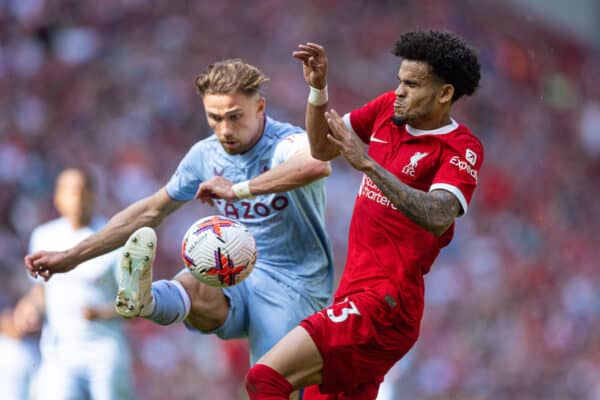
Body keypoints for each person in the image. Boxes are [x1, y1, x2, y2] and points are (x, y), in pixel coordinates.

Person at [25, 60, 334, 368]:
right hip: (235, 276)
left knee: (270, 383)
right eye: (214, 118)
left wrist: (239, 189)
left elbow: (317, 163)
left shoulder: (284, 143)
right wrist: (72, 257)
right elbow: (149, 211)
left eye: (234, 117)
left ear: (260, 107)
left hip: (294, 286)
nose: (224, 129)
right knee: (193, 282)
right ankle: (144, 301)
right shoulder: (205, 155)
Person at [245, 30, 484, 399]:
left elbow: (439, 214)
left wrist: (368, 165)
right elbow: (322, 148)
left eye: (412, 84)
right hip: (353, 296)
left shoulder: (460, 147)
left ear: (445, 93)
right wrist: (318, 91)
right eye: (399, 81)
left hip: (386, 306)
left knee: (266, 378)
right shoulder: (388, 109)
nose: (400, 90)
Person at [22, 168, 135, 400]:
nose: (79, 198)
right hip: (60, 353)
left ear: (94, 195)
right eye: (72, 191)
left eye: (84, 191)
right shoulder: (43, 236)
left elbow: (135, 303)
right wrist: (31, 308)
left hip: (104, 353)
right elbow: (39, 290)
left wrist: (101, 313)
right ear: (57, 198)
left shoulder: (112, 240)